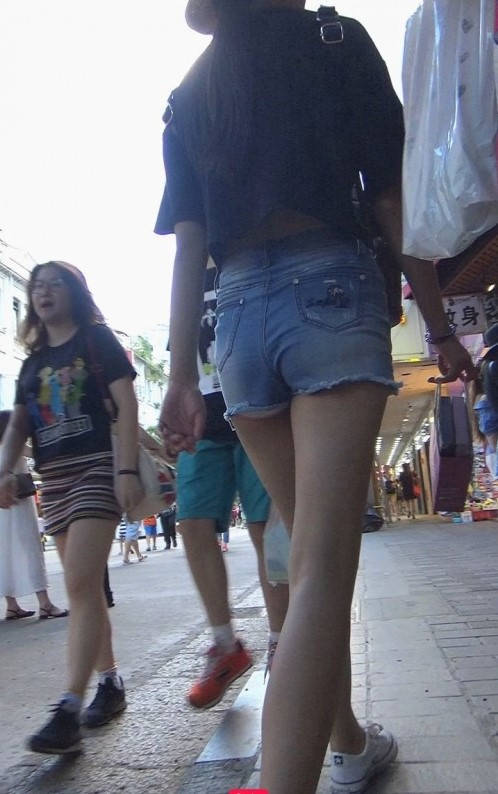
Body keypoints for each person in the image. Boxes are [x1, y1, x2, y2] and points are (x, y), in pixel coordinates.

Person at [156, 2, 476, 792]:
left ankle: (352, 745)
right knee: (324, 569)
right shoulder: (334, 40)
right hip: (329, 289)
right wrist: (438, 326)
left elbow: (190, 245)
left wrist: (180, 374)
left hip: (234, 321)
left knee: (306, 561)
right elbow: (391, 199)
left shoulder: (190, 94)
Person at [0, 261, 142, 754]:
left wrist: (126, 470)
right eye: (36, 286)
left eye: (53, 284)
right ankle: (110, 682)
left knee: (80, 584)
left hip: (97, 469)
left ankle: (68, 710)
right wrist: (3, 469)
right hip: (55, 480)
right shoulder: (31, 364)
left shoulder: (96, 340)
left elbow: (127, 405)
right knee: (85, 588)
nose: (42, 292)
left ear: (74, 292)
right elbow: (18, 427)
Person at [160, 268, 288, 709]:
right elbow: (181, 352)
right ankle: (225, 646)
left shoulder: (247, 253)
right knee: (192, 523)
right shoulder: (189, 275)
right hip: (204, 423)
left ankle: (281, 645)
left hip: (258, 407)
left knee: (266, 531)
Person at [0, 411, 68, 621]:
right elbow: (38, 454)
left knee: (4, 553)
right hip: (19, 503)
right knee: (31, 549)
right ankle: (45, 604)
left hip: (2, 507)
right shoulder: (15, 447)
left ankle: (12, 605)